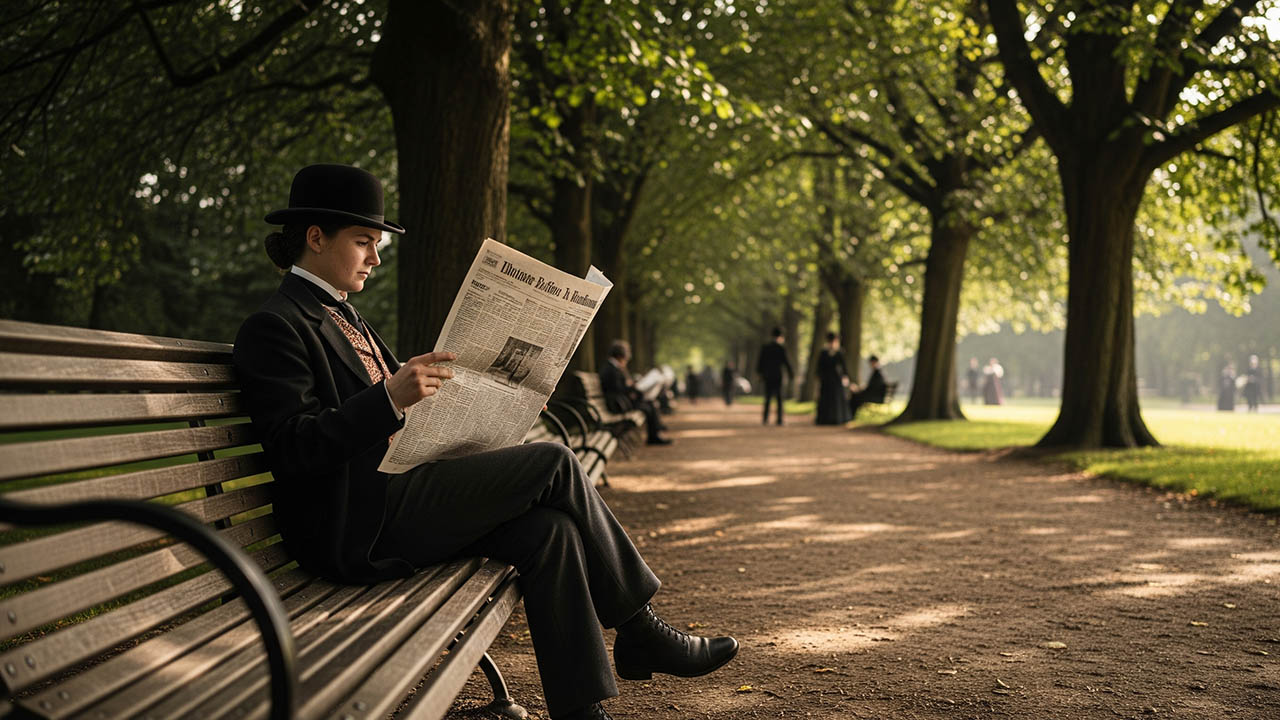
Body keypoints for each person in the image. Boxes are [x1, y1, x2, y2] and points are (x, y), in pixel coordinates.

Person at [233, 165, 734, 720]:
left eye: (376, 243)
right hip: (354, 521)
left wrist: (507, 398)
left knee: (551, 531)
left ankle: (582, 712)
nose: (374, 257)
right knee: (554, 461)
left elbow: (402, 414)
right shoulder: (276, 325)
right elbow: (293, 447)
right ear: (315, 237)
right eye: (363, 241)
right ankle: (641, 629)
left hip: (395, 494)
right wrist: (389, 399)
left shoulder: (345, 314)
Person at [600, 340, 673, 445]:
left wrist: (631, 384)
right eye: (626, 356)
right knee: (649, 407)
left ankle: (655, 434)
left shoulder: (613, 367)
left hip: (621, 401)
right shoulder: (611, 369)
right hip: (618, 404)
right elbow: (617, 388)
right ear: (621, 356)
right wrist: (631, 386)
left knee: (651, 404)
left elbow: (619, 386)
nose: (627, 359)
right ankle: (654, 436)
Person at [756, 327, 793, 425]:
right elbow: (786, 362)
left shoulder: (765, 348)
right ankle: (779, 419)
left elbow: (760, 362)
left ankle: (765, 418)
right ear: (780, 337)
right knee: (779, 398)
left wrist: (759, 373)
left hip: (768, 375)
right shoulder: (781, 348)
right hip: (778, 375)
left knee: (767, 397)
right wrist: (791, 373)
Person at [815, 332, 852, 425]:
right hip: (826, 379)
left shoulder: (839, 353)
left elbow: (843, 367)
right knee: (825, 398)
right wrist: (819, 376)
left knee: (836, 398)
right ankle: (825, 419)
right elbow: (819, 367)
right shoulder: (823, 353)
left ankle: (837, 418)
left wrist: (845, 376)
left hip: (836, 379)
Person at [848, 354, 887, 418]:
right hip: (876, 395)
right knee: (856, 396)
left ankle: (850, 416)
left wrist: (859, 389)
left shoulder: (877, 373)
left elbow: (872, 388)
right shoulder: (878, 372)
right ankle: (850, 415)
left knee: (855, 396)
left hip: (876, 397)